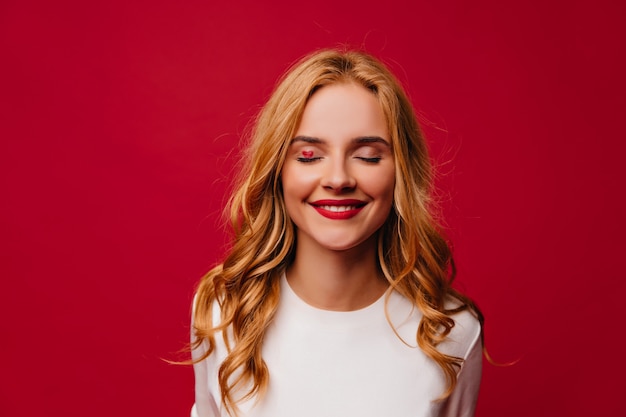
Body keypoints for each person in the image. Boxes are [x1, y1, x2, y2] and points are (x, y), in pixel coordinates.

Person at [190, 49, 484, 417]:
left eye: (368, 155)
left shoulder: (453, 331)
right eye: (310, 155)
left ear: (401, 173)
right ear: (277, 169)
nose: (338, 179)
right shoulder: (223, 311)